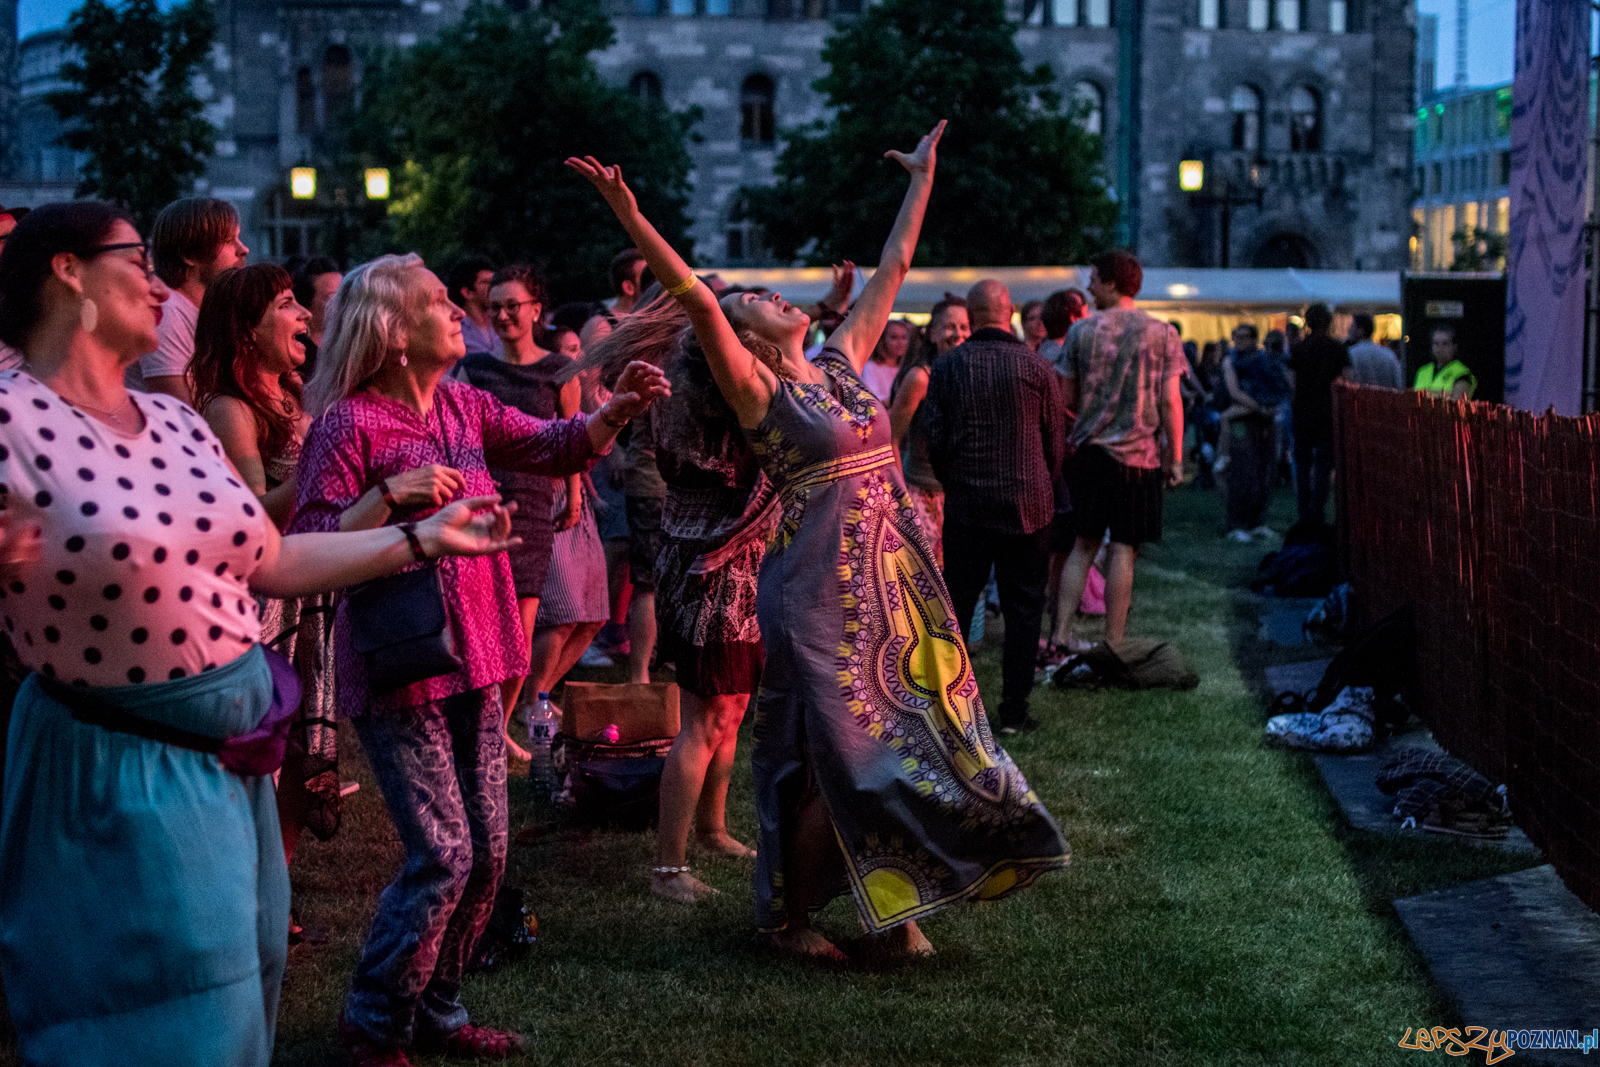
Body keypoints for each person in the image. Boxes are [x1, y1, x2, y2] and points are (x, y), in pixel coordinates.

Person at [0, 201, 525, 1067]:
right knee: (159, 1004)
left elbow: (271, 557)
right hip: (118, 764)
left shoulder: (171, 421)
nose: (160, 282)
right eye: (137, 259)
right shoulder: (14, 421)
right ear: (67, 271)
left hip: (230, 762)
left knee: (249, 979)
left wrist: (424, 537)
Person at [571, 118, 1069, 962]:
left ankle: (897, 903)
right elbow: (694, 296)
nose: (775, 297)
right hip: (818, 589)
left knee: (913, 736)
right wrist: (629, 213)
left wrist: (921, 178)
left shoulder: (839, 364)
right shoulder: (761, 395)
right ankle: (791, 919)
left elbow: (895, 267)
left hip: (896, 575)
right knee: (830, 754)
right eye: (757, 302)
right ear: (751, 340)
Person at [294, 252, 668, 1065]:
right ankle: (373, 1018)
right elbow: (310, 545)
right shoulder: (348, 424)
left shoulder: (465, 405)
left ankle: (439, 1007)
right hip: (403, 667)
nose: (457, 312)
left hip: (485, 650)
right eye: (437, 302)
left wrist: (618, 411)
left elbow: (559, 443)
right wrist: (392, 496)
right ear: (394, 332)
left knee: (491, 852)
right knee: (445, 853)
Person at [580, 283, 767, 902]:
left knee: (731, 707)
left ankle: (711, 829)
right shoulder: (705, 377)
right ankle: (668, 868)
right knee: (706, 716)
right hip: (712, 565)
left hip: (721, 561)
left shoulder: (690, 365)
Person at [189, 263, 347, 945]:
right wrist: (322, 463)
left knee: (296, 755)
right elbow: (256, 516)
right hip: (258, 603)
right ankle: (240, 899)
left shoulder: (290, 394)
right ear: (245, 331)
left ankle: (271, 893)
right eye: (287, 304)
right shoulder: (229, 407)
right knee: (263, 752)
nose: (304, 314)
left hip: (306, 594)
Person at [919, 279, 1063, 735]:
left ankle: (951, 711)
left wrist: (954, 482)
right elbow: (1054, 443)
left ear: (973, 315)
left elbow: (934, 438)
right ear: (1012, 311)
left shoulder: (947, 367)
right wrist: (1042, 481)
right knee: (1023, 612)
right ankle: (1014, 714)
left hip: (967, 506)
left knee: (957, 608)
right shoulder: (1036, 366)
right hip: (1029, 506)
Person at [453, 264, 577, 757]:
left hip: (533, 505)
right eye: (495, 306)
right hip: (482, 502)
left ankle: (498, 727)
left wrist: (575, 494)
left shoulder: (557, 369)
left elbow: (572, 435)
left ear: (535, 311)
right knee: (482, 626)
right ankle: (481, 727)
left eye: (513, 306)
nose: (503, 315)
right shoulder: (475, 368)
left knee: (522, 628)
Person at [1050, 249, 1184, 656]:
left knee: (1083, 545)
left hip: (1089, 454)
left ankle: (1061, 634)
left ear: (1111, 282)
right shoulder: (1163, 333)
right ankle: (1113, 641)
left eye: (1093, 278)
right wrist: (1175, 457)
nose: (1088, 286)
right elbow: (1170, 401)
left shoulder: (1081, 333)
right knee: (1124, 547)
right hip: (1139, 459)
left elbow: (1064, 397)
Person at [133, 197, 249, 403]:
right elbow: (181, 414)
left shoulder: (213, 314)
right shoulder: (166, 315)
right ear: (189, 254)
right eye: (229, 241)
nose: (244, 249)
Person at [886, 295, 968, 565]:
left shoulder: (969, 373)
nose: (958, 334)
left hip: (959, 494)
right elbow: (892, 438)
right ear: (932, 333)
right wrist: (901, 499)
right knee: (927, 576)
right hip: (921, 492)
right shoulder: (920, 378)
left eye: (964, 327)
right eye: (950, 327)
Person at [1220, 323, 1292, 540]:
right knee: (1242, 471)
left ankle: (1257, 521)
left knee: (1264, 472)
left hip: (1263, 420)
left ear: (1254, 339)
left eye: (1244, 337)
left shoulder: (1264, 361)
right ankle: (1237, 524)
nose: (1239, 341)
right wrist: (1259, 407)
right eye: (1236, 337)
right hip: (1242, 422)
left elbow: (1279, 385)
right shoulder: (1230, 360)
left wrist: (1267, 407)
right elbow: (1234, 392)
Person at [1288, 303, 1350, 526]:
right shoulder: (1337, 348)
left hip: (1303, 411)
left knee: (1302, 464)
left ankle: (1304, 511)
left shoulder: (1298, 349)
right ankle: (1318, 509)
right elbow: (1344, 381)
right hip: (1327, 411)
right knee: (1324, 465)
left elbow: (1292, 383)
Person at [290, 255, 341, 382]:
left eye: (344, 295)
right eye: (332, 297)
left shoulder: (350, 345)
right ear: (308, 302)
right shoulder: (297, 355)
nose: (342, 303)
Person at [446, 253, 500, 356]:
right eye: (485, 282)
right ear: (467, 293)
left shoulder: (503, 322)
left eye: (493, 281)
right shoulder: (455, 331)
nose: (493, 286)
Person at [1413, 323, 1476, 399]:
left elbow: (1458, 402)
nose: (1440, 349)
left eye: (1445, 344)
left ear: (1454, 347)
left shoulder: (1462, 373)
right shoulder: (1422, 371)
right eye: (1436, 344)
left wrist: (1425, 395)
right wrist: (1444, 394)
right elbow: (1413, 398)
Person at [1037, 288, 1088, 374]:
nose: (1087, 319)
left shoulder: (1044, 350)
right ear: (1073, 319)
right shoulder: (1064, 356)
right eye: (1082, 316)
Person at [1345, 313, 1403, 389]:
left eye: (1352, 326)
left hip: (1361, 399)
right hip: (1386, 398)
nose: (1349, 330)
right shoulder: (1388, 354)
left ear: (1361, 331)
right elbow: (1398, 382)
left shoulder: (1351, 353)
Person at [861, 317, 911, 400]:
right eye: (894, 337)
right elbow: (872, 399)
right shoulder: (871, 367)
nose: (900, 342)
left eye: (904, 337)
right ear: (883, 339)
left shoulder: (906, 367)